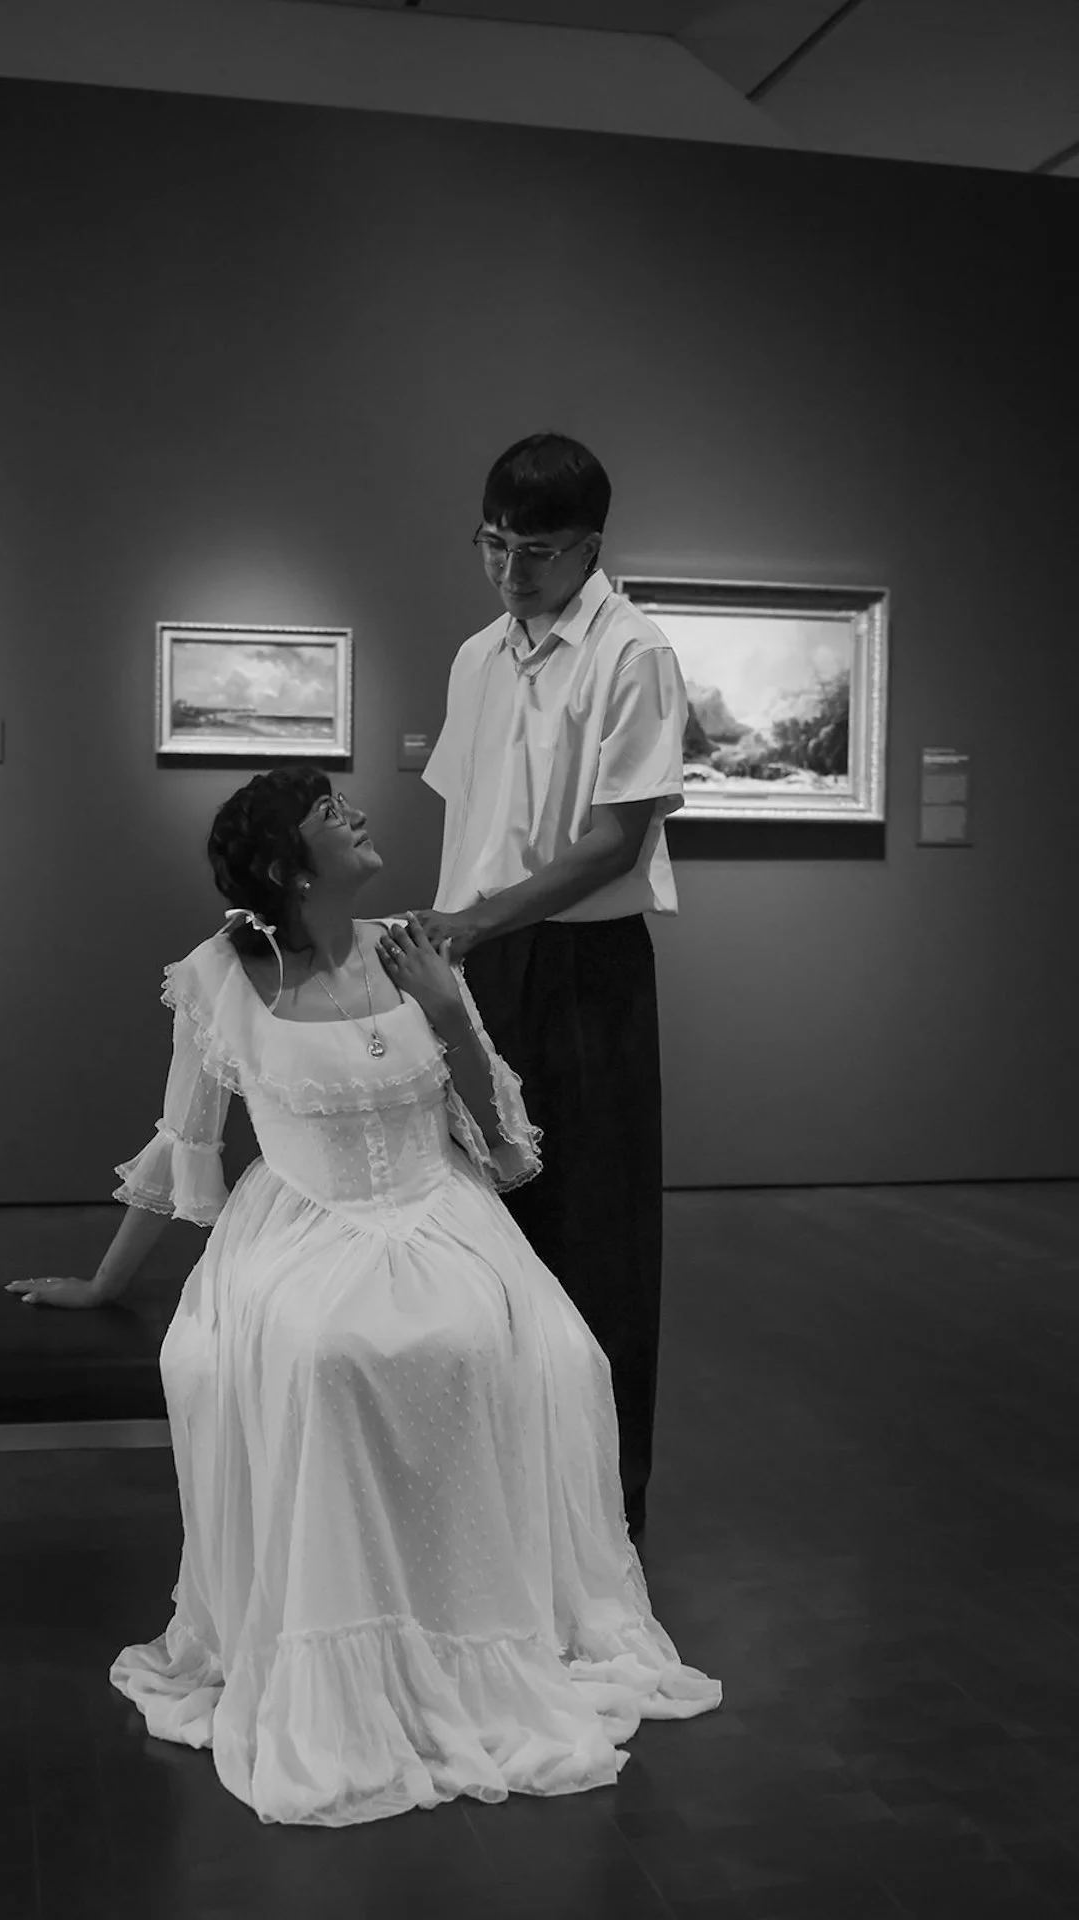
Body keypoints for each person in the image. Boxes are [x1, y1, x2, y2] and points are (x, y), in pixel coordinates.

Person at [7, 766, 718, 1827]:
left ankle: (476, 1622)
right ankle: (346, 1637)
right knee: (325, 1355)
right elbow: (184, 1144)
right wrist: (103, 1281)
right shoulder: (219, 978)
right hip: (301, 1222)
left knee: (519, 1348)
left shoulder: (418, 950)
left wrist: (449, 1012)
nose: (358, 817)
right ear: (293, 867)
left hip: (439, 1210)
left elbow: (508, 1150)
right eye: (330, 816)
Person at [416, 433, 688, 1541]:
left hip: (581, 972)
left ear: (589, 546)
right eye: (492, 543)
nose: (509, 569)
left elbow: (617, 841)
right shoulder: (477, 654)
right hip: (479, 964)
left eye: (534, 550)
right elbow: (466, 825)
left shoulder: (632, 654)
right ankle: (493, 1504)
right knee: (475, 1230)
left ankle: (600, 1524)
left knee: (594, 1241)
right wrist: (442, 962)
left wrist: (474, 923)